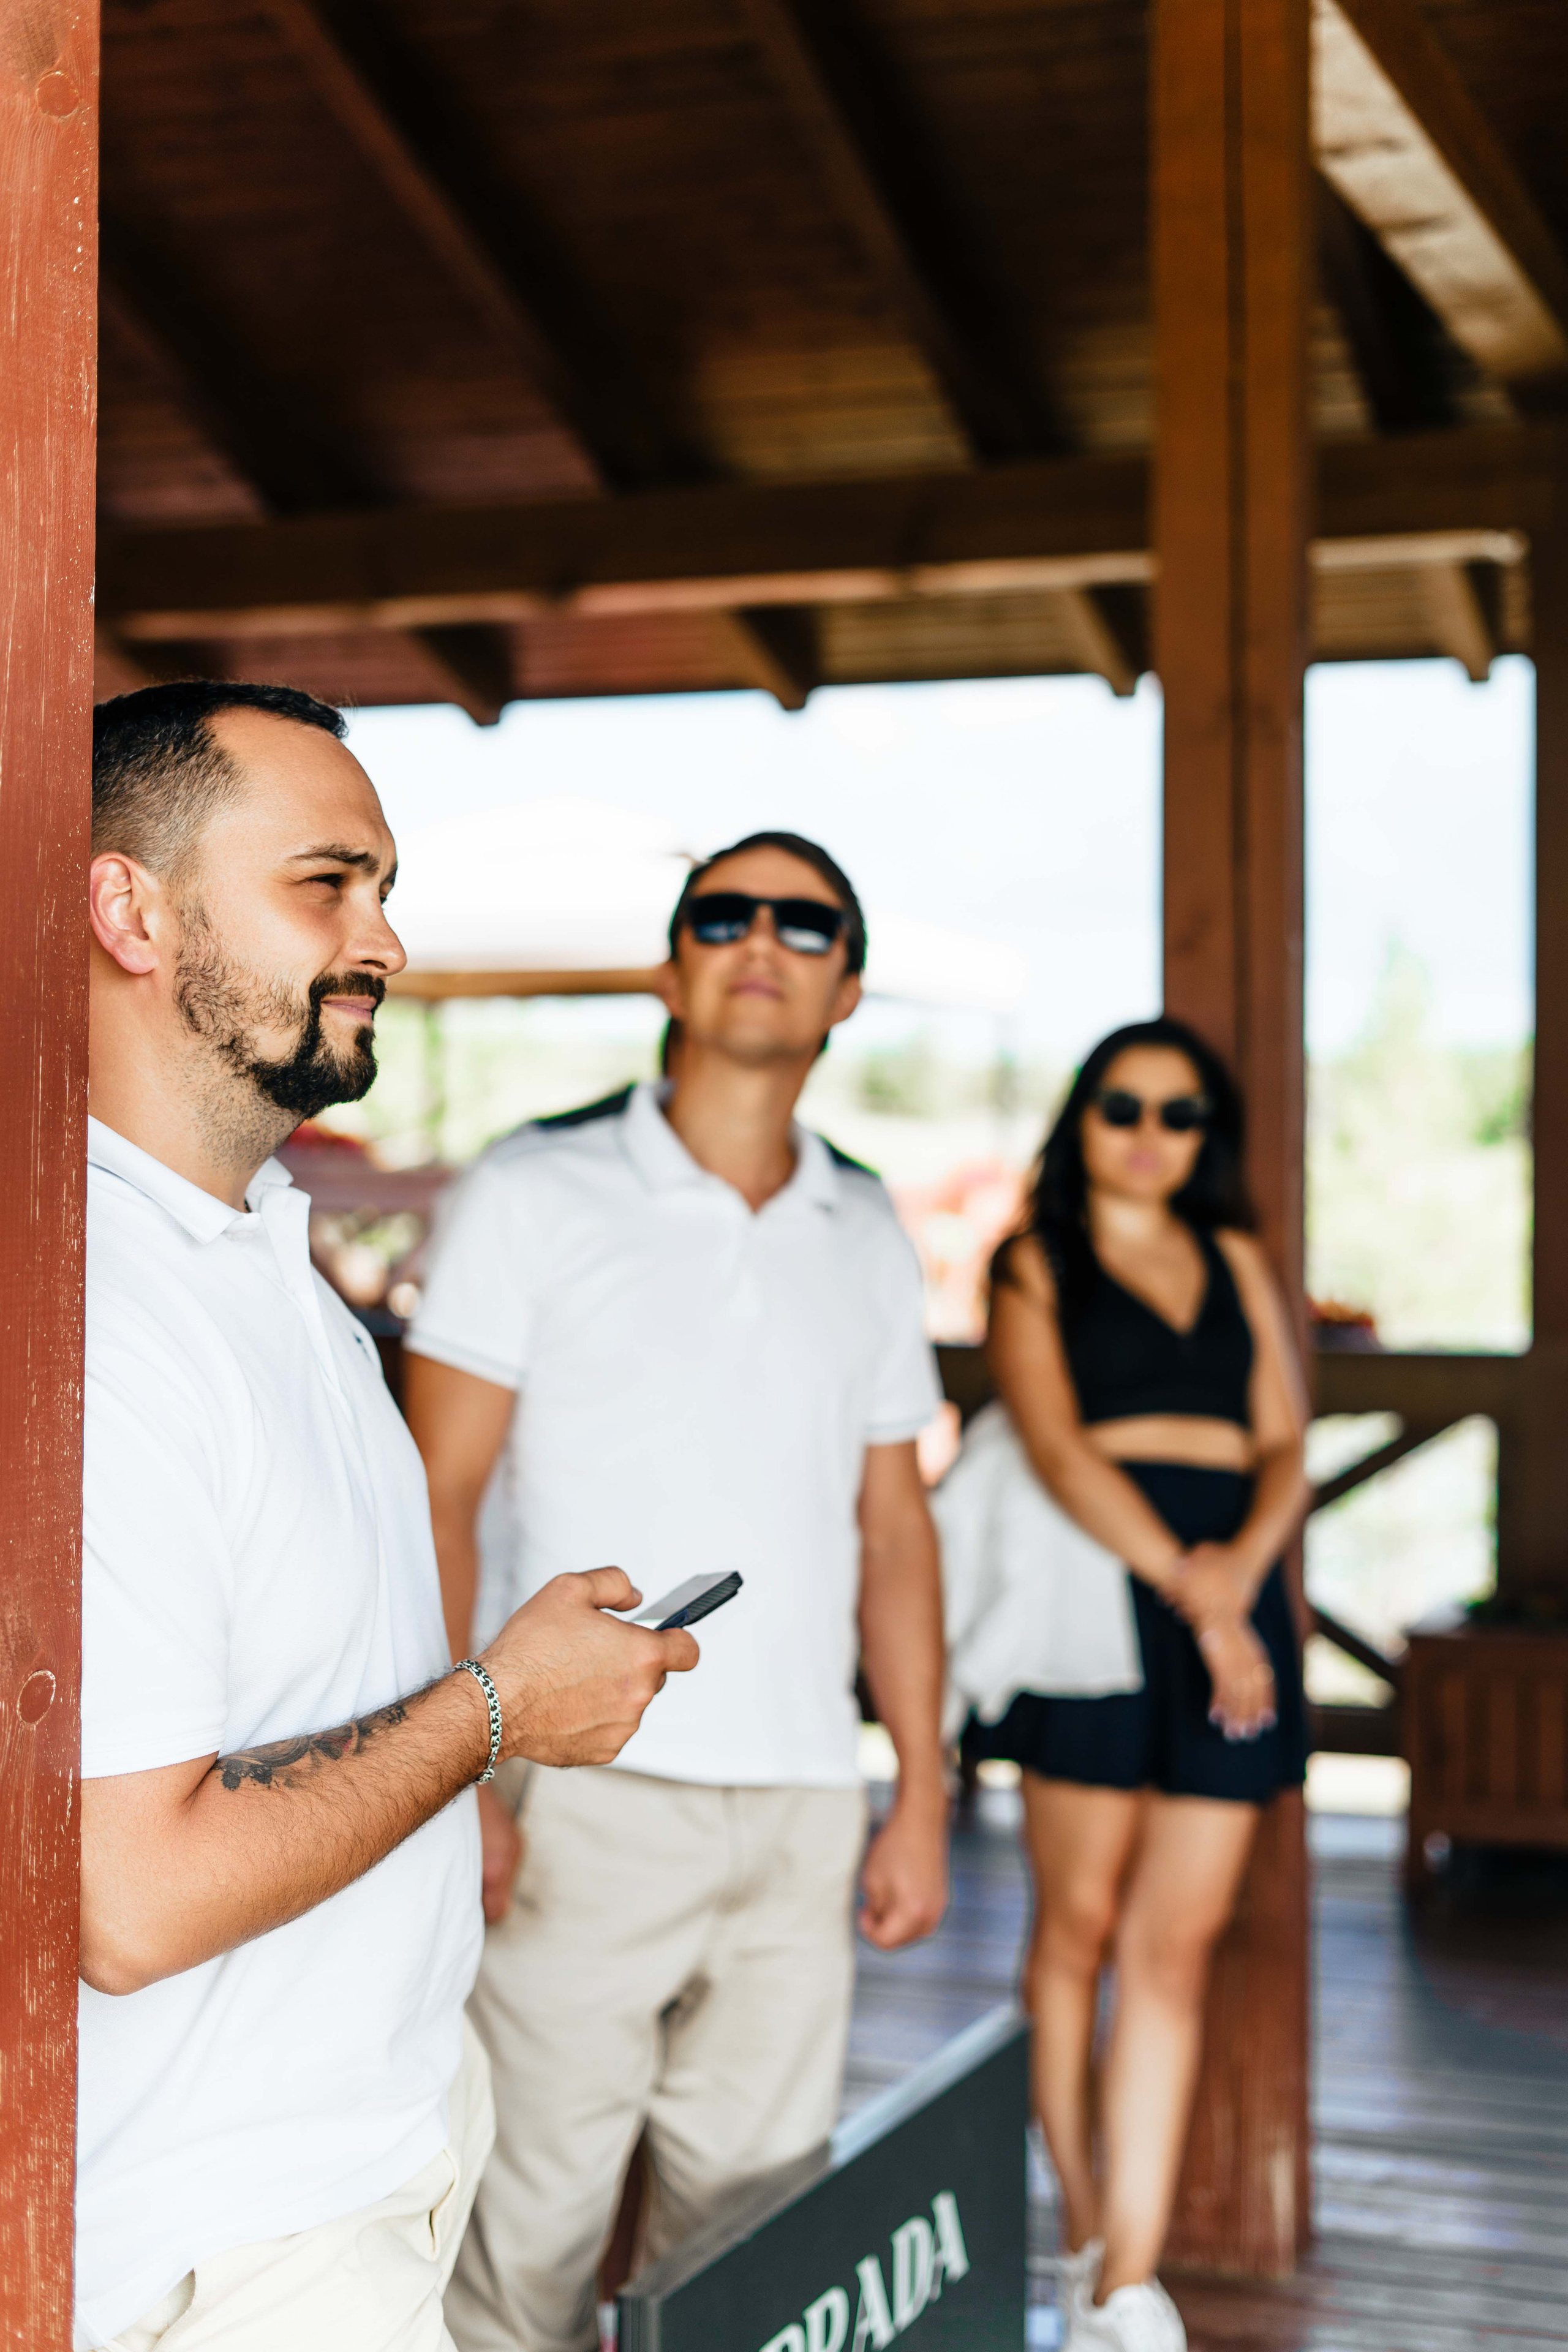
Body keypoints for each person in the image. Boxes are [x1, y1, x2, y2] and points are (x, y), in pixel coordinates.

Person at [78, 681, 698, 2352]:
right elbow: (128, 1900)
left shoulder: (269, 1259)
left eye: (388, 888)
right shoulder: (95, 1318)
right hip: (227, 2244)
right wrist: (497, 1712)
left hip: (375, 2146)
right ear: (126, 907)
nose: (385, 941)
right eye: (325, 885)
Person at [404, 831, 950, 2352]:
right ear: (672, 966)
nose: (760, 938)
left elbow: (895, 1533)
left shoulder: (869, 1225)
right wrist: (463, 1775)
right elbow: (434, 1497)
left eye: (804, 921)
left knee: (758, 2252)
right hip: (578, 1792)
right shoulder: (533, 1189)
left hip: (796, 1804)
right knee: (526, 2240)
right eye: (724, 913)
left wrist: (916, 1784)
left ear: (846, 988)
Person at [968, 1018, 1310, 2352]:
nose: (1150, 1136)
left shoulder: (1231, 1255)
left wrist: (1237, 1585)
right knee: (1080, 1926)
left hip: (1227, 1584)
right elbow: (1054, 1452)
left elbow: (1283, 1439)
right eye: (1123, 1108)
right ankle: (1082, 2233)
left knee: (1172, 1952)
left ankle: (1129, 2278)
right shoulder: (1033, 1262)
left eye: (1180, 1116)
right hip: (1094, 1587)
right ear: (1082, 1118)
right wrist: (1194, 1587)